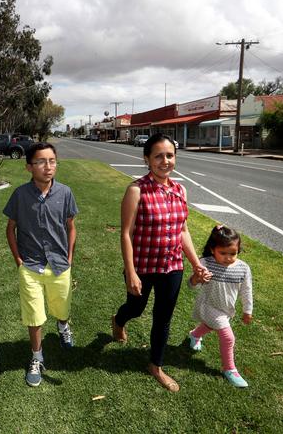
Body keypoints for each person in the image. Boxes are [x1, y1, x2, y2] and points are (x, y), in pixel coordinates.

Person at [111, 133, 207, 392]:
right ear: (147, 159)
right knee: (136, 308)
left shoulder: (180, 189)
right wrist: (131, 271)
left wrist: (196, 263)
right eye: (158, 156)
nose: (165, 161)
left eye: (170, 155)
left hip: (172, 266)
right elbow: (126, 234)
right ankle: (119, 320)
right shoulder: (136, 190)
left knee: (163, 319)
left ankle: (156, 365)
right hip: (142, 266)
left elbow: (183, 230)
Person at [3, 142, 78, 387]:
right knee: (34, 314)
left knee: (61, 307)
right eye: (41, 162)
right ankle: (36, 356)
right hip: (31, 266)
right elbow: (10, 228)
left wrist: (69, 257)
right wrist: (17, 259)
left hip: (59, 264)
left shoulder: (65, 193)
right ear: (29, 167)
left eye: (52, 161)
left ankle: (63, 326)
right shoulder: (20, 195)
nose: (48, 166)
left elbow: (70, 226)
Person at [187, 225, 253, 388]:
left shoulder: (243, 268)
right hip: (208, 305)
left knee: (210, 326)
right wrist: (198, 278)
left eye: (233, 253)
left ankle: (195, 335)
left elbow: (247, 290)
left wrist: (247, 310)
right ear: (212, 249)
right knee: (228, 337)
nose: (228, 257)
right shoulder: (205, 263)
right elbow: (191, 285)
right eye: (223, 253)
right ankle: (229, 369)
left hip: (225, 309)